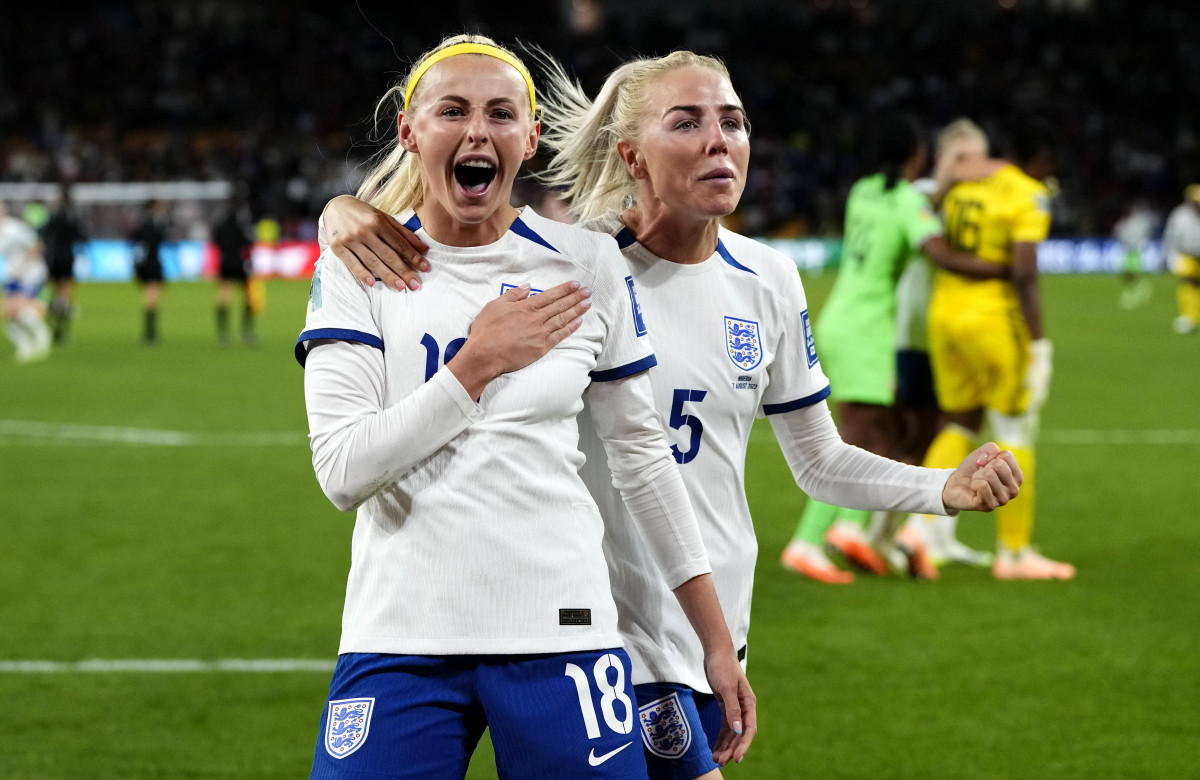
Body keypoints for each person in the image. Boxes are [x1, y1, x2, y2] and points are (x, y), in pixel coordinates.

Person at [320, 49, 1025, 779]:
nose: (718, 141)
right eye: (687, 123)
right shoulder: (582, 265)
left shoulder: (768, 280)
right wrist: (338, 213)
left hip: (712, 618)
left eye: (733, 122)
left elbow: (816, 460)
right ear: (632, 155)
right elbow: (457, 254)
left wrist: (939, 489)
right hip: (608, 626)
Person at [296, 35, 754, 780]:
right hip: (401, 632)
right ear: (411, 131)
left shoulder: (584, 263)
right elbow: (343, 472)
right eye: (453, 111)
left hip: (563, 633)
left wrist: (713, 640)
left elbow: (643, 461)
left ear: (529, 138)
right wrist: (474, 365)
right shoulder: (358, 268)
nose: (478, 130)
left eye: (501, 113)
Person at [781, 114, 1009, 584]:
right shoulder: (908, 203)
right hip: (866, 328)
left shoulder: (863, 190)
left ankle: (852, 530)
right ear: (917, 157)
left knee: (884, 436)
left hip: (843, 316)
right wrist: (999, 268)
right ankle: (806, 543)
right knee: (849, 443)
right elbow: (940, 252)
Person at [909, 117, 1075, 580]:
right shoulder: (1027, 193)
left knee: (959, 421)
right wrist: (1039, 344)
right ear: (1040, 161)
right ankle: (1015, 554)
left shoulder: (963, 187)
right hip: (993, 324)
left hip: (945, 317)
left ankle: (922, 531)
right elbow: (1024, 272)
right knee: (1017, 430)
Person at [0, 201, 52, 363]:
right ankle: (25, 346)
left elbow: (36, 247)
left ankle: (43, 337)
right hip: (13, 276)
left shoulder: (15, 228)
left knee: (18, 308)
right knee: (8, 315)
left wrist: (23, 265)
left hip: (31, 273)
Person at [42, 184, 86, 343]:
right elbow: (82, 236)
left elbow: (44, 234)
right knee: (65, 294)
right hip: (67, 257)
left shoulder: (53, 215)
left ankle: (50, 327)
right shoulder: (73, 216)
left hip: (52, 257)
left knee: (51, 293)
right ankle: (62, 331)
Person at [212, 198, 257, 345]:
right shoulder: (242, 221)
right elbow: (248, 240)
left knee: (224, 296)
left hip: (225, 261)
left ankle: (222, 333)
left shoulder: (222, 221)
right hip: (238, 262)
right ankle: (247, 331)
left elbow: (215, 238)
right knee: (247, 296)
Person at [1162, 185, 1200, 334]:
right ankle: (1189, 317)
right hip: (1187, 255)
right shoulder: (1180, 215)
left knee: (1194, 286)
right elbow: (1171, 236)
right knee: (1188, 283)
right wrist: (1171, 255)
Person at [130, 200, 168, 344]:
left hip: (144, 264)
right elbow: (161, 238)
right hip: (152, 264)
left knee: (150, 298)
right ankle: (150, 332)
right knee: (153, 299)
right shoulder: (155, 224)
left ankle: (149, 332)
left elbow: (133, 240)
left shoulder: (141, 223)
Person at [1112, 200, 1158, 311]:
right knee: (1126, 273)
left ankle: (1137, 290)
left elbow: (1145, 233)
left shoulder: (1137, 223)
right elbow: (1116, 233)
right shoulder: (1123, 223)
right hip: (1126, 250)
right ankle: (1138, 288)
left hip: (1135, 251)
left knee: (1131, 271)